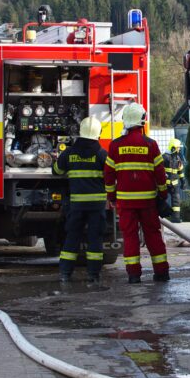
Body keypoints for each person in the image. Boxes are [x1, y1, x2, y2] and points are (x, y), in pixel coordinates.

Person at [104, 103, 170, 284]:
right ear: (142, 121)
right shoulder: (151, 144)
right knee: (153, 235)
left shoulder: (115, 145)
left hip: (125, 203)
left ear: (125, 121)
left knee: (130, 237)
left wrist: (111, 197)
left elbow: (109, 175)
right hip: (148, 202)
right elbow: (160, 173)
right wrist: (163, 196)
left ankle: (134, 275)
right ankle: (162, 273)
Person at [53, 116, 108, 284]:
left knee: (72, 237)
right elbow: (110, 176)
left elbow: (57, 171)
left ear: (80, 133)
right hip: (97, 206)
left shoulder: (69, 153)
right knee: (95, 239)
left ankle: (65, 274)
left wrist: (57, 158)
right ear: (98, 134)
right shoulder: (101, 154)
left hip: (76, 205)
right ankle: (93, 275)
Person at [162, 138, 185, 223]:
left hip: (174, 185)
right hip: (164, 185)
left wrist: (183, 181)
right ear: (173, 148)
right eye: (178, 147)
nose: (179, 149)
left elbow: (180, 170)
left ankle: (176, 218)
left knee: (176, 201)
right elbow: (159, 170)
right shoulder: (164, 157)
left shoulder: (178, 158)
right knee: (161, 201)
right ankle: (161, 219)